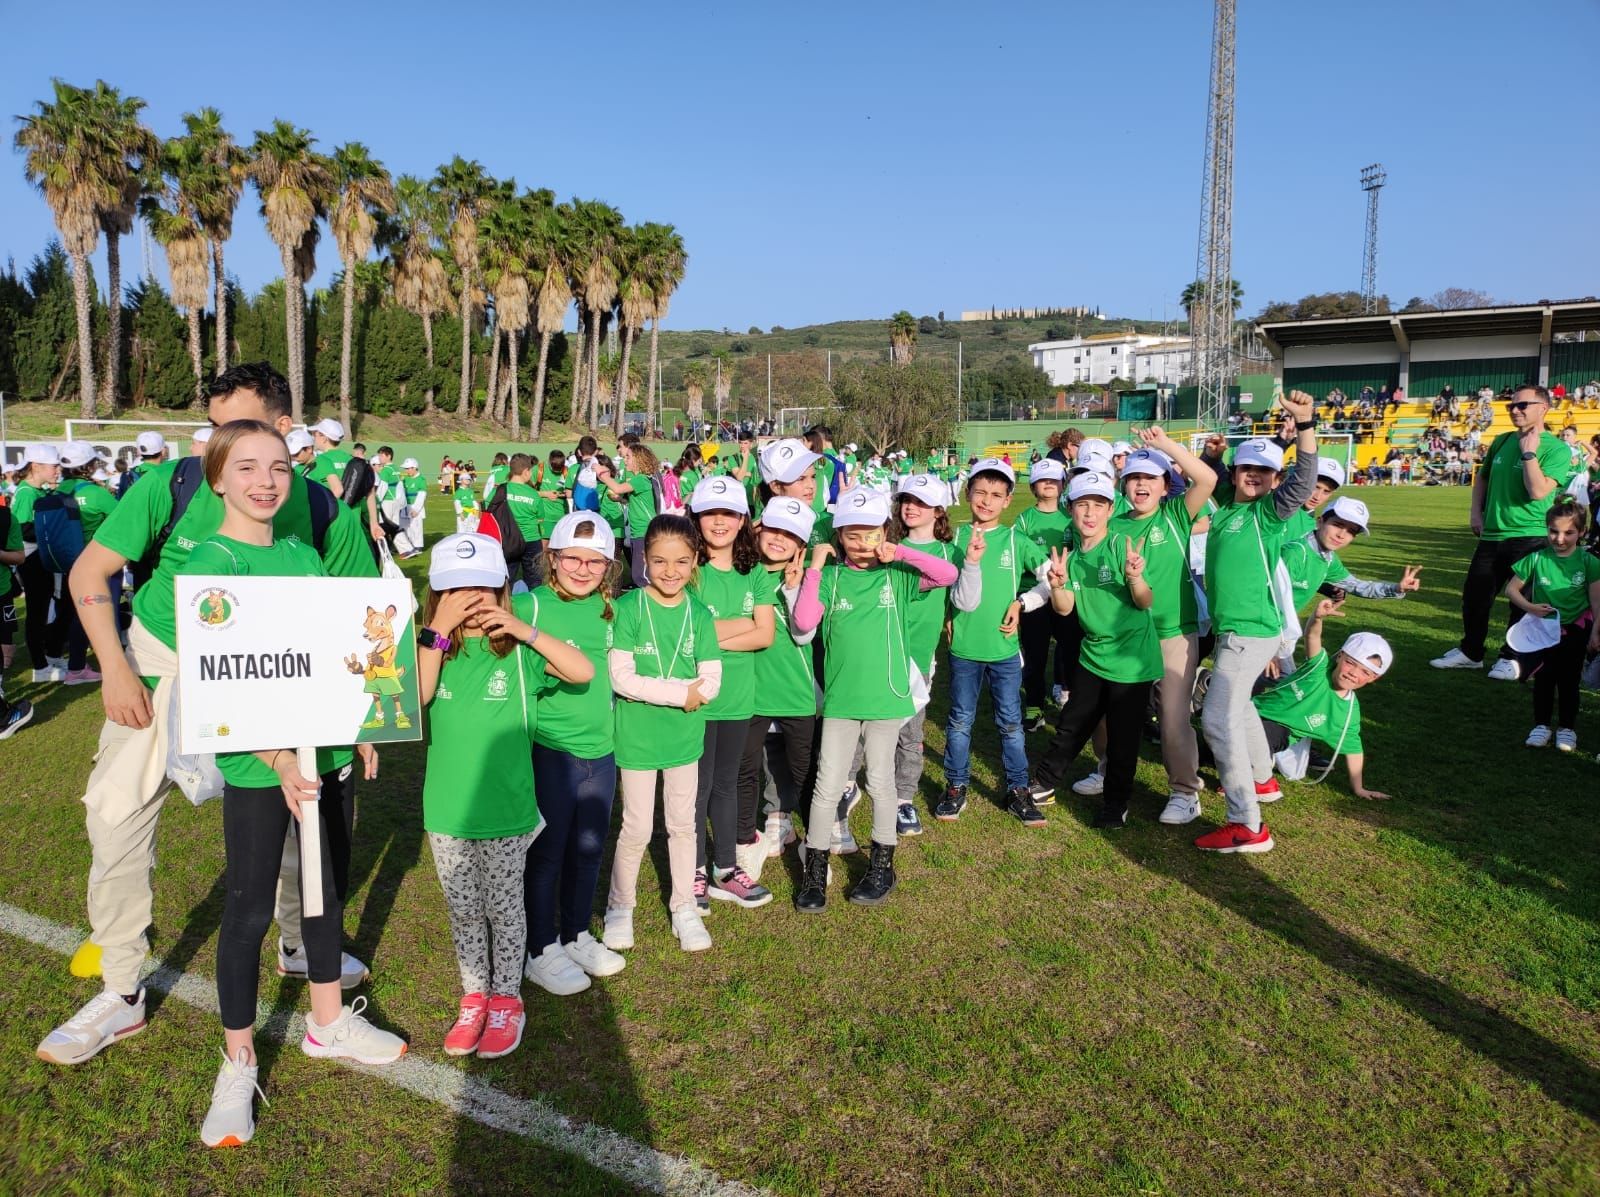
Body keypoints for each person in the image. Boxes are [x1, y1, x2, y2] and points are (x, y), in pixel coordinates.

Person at [39, 363, 376, 1070]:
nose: (216, 446)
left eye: (238, 428)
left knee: (296, 820)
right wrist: (118, 668)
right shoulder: (176, 482)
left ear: (285, 431)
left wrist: (363, 715)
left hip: (273, 682)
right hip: (160, 670)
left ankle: (298, 943)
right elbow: (87, 572)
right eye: (215, 429)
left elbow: (358, 613)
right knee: (115, 818)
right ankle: (122, 988)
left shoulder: (319, 510)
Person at [172, 420, 399, 1148]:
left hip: (321, 756)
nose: (266, 481)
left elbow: (335, 651)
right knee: (247, 911)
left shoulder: (305, 554)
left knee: (326, 892)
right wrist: (276, 760)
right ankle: (238, 1061)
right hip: (258, 767)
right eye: (247, 468)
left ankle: (328, 1023)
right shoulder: (212, 563)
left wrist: (363, 722)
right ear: (217, 479)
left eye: (277, 467)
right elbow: (219, 686)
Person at [418, 531, 594, 1052]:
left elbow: (582, 671)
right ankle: (474, 998)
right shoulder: (430, 646)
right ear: (437, 595)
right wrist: (438, 630)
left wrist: (523, 628)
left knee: (503, 907)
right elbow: (416, 696)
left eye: (482, 590)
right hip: (447, 809)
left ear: (502, 590)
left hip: (507, 810)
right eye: (457, 591)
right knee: (463, 909)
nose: (471, 603)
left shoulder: (518, 653)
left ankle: (506, 999)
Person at [789, 487, 958, 909]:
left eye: (871, 534)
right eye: (851, 535)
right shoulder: (831, 577)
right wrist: (815, 567)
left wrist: (899, 554)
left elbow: (947, 575)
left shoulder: (896, 574)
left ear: (885, 532)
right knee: (828, 785)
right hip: (843, 701)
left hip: (887, 698)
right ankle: (814, 871)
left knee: (881, 782)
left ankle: (882, 865)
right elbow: (805, 621)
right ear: (839, 535)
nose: (861, 544)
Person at [1195, 391, 1319, 854]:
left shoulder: (1268, 513)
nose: (1254, 476)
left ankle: (1247, 823)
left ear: (1275, 480)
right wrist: (1212, 453)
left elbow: (1303, 483)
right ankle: (1264, 780)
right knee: (1240, 706)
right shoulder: (1229, 508)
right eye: (1247, 469)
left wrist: (1304, 425)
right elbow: (1208, 480)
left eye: (1264, 472)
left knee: (1217, 720)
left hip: (1250, 633)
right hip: (1242, 632)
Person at [603, 514, 722, 953]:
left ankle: (684, 906)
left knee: (682, 825)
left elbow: (711, 681)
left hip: (683, 740)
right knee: (634, 827)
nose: (670, 571)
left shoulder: (701, 614)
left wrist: (690, 694)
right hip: (636, 738)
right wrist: (679, 693)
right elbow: (621, 677)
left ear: (695, 562)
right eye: (659, 561)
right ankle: (621, 906)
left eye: (681, 561)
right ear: (643, 561)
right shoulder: (629, 608)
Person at [523, 513, 627, 995]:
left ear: (608, 566)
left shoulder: (613, 611)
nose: (582, 569)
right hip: (551, 752)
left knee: (588, 849)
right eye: (572, 559)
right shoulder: (532, 608)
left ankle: (576, 933)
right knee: (547, 852)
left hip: (601, 752)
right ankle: (540, 947)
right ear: (552, 558)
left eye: (595, 561)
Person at [1025, 469, 1158, 828]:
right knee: (1071, 724)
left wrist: (1134, 576)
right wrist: (1056, 584)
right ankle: (1044, 783)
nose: (1090, 513)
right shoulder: (1071, 556)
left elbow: (1145, 602)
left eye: (1098, 505)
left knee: (1122, 740)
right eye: (1082, 504)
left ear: (1110, 510)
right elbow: (1065, 608)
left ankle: (1116, 805)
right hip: (1092, 655)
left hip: (1131, 662)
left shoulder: (1119, 547)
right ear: (1070, 508)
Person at [1107, 429, 1217, 824]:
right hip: (1127, 635)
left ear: (1164, 485)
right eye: (1134, 478)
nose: (1141, 485)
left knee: (1172, 717)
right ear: (1123, 484)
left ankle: (1185, 791)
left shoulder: (1176, 516)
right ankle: (1107, 772)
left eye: (1150, 478)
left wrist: (1166, 447)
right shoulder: (1114, 524)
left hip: (1173, 633)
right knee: (1113, 712)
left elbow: (1207, 480)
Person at [1431, 385, 1577, 677]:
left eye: (1523, 405)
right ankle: (1471, 652)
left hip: (1531, 536)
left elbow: (1537, 492)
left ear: (1544, 408)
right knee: (1474, 597)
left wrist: (1529, 455)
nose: (1515, 410)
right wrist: (1476, 513)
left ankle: (1512, 658)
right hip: (1492, 535)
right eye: (1512, 405)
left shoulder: (1557, 449)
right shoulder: (1501, 441)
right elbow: (1482, 479)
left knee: (1521, 603)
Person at [936, 458, 1049, 823]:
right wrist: (945, 618)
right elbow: (938, 586)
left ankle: (1017, 789)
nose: (986, 500)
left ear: (1007, 500)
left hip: (1003, 650)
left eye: (996, 494)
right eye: (980, 492)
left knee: (1011, 723)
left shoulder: (1017, 540)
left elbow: (1050, 581)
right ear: (968, 493)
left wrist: (1022, 602)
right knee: (959, 721)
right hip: (964, 649)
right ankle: (955, 785)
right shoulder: (953, 536)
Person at [686, 475, 777, 908]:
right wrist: (739, 626)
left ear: (743, 519)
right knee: (697, 787)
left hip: (739, 697)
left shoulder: (754, 572)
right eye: (709, 513)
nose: (718, 522)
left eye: (728, 513)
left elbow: (764, 635)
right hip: (697, 697)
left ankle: (725, 867)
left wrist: (709, 634)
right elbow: (680, 634)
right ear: (696, 517)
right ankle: (694, 872)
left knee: (725, 784)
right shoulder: (686, 567)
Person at [885, 473, 980, 835]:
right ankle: (848, 787)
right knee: (865, 729)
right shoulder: (887, 544)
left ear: (938, 510)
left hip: (918, 656)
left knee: (910, 733)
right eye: (907, 500)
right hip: (880, 649)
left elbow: (963, 596)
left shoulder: (948, 551)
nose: (911, 507)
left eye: (921, 503)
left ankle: (903, 800)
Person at [1251, 599, 1395, 799]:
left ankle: (1253, 776)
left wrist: (1359, 788)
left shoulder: (1348, 713)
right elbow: (1312, 636)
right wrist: (1316, 618)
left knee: (1254, 739)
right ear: (1340, 657)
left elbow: (1353, 750)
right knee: (1208, 742)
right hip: (1251, 711)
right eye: (1350, 663)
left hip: (1279, 731)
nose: (1354, 673)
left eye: (1365, 672)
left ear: (1373, 678)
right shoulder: (1318, 668)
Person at [746, 497, 820, 858]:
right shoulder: (742, 572)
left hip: (796, 693)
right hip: (754, 691)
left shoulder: (806, 579)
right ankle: (768, 823)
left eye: (789, 535)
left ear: (800, 546)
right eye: (773, 529)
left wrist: (792, 589)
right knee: (755, 763)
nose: (778, 539)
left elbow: (804, 633)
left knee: (803, 768)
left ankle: (819, 834)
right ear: (759, 528)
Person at [1504, 498, 1600, 753]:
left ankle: (1567, 729)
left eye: (1569, 533)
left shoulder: (1590, 563)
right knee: (1544, 678)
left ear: (1582, 532)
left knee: (1569, 681)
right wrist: (1530, 607)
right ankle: (1541, 726)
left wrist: (1595, 632)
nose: (1560, 538)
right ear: (1546, 529)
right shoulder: (1536, 559)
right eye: (1554, 531)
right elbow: (1511, 589)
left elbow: (1596, 602)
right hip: (1542, 631)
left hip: (1576, 632)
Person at [1014, 458, 1072, 730]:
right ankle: (1034, 706)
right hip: (1034, 595)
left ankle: (1071, 701)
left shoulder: (1070, 517)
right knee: (1035, 654)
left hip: (1065, 595)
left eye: (1053, 479)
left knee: (1070, 649)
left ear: (1063, 484)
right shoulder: (1024, 519)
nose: (1048, 484)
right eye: (1042, 479)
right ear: (1033, 485)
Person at [12, 443, 68, 683]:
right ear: (36, 466)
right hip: (31, 559)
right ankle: (40, 666)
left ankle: (48, 657)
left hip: (39, 558)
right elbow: (23, 530)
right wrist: (53, 532)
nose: (57, 470)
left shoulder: (36, 492)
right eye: (54, 465)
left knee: (44, 608)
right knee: (37, 612)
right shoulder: (26, 493)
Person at [595, 437, 660, 589]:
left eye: (628, 457)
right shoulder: (640, 480)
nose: (625, 460)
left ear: (639, 460)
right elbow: (628, 499)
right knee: (640, 573)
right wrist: (619, 499)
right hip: (638, 532)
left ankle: (652, 604)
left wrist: (603, 475)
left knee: (641, 575)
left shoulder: (641, 479)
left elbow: (618, 488)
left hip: (645, 532)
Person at [499, 453, 546, 587]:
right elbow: (540, 517)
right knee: (534, 577)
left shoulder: (500, 490)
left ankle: (505, 604)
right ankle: (534, 604)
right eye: (531, 470)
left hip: (508, 539)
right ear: (526, 471)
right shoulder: (533, 494)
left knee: (506, 576)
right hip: (531, 540)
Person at [306, 418, 352, 499]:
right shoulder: (350, 458)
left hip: (333, 510)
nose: (313, 438)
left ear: (324, 438)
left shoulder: (320, 460)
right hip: (352, 511)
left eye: (314, 434)